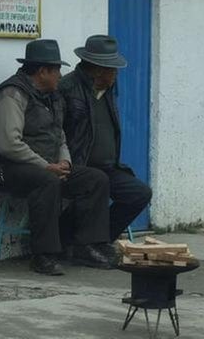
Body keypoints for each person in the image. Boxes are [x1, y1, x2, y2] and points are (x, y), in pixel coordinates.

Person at [0, 39, 113, 275]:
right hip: (2, 171)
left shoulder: (51, 97)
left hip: (45, 166)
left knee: (96, 179)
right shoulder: (11, 94)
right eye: (57, 70)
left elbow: (60, 135)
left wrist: (64, 162)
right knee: (47, 182)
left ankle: (84, 245)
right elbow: (8, 145)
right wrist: (47, 166)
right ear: (42, 72)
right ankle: (43, 255)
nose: (61, 76)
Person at [59, 35, 153, 260]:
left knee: (139, 193)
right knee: (96, 183)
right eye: (112, 69)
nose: (116, 74)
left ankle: (98, 240)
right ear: (97, 69)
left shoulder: (108, 89)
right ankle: (85, 244)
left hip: (107, 167)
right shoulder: (68, 88)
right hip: (78, 165)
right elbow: (56, 130)